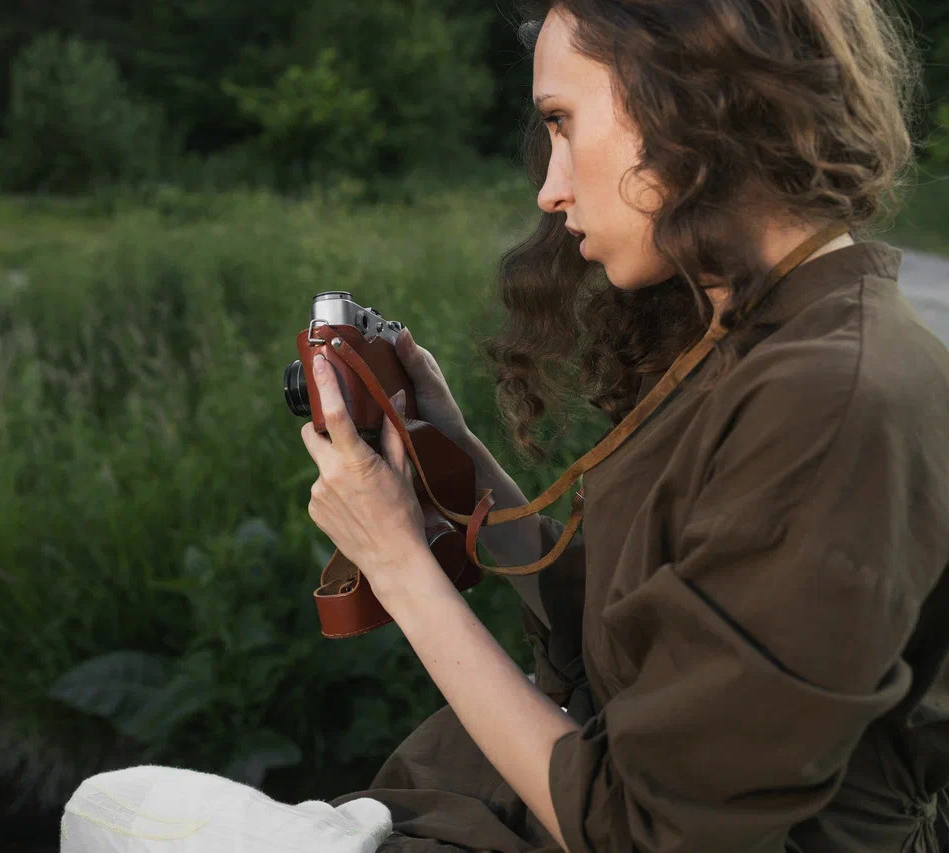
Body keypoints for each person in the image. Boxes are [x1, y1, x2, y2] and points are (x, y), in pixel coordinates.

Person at [60, 1, 949, 850]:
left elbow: (645, 831)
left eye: (562, 122)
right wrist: (457, 455)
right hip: (504, 810)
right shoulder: (758, 330)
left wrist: (399, 566)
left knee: (116, 814)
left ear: (688, 96)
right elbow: (629, 635)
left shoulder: (832, 401)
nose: (551, 192)